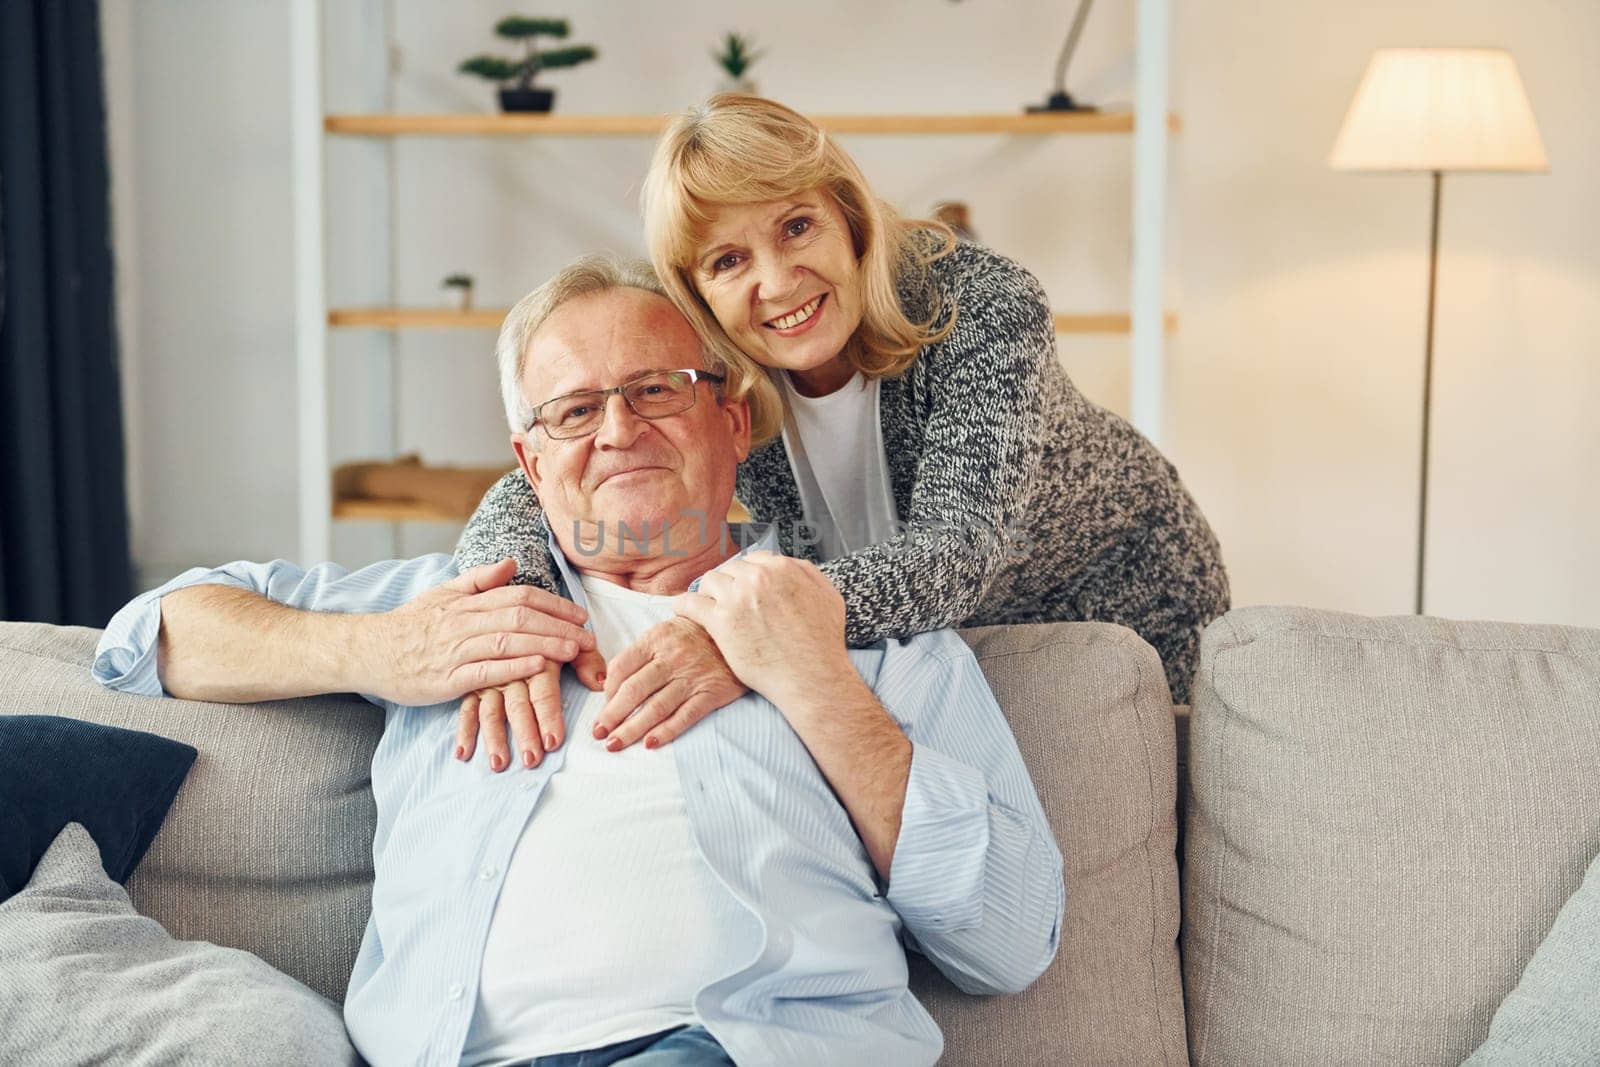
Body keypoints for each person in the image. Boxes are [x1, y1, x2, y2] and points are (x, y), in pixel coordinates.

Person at [91, 257, 1064, 1067]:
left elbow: (1010, 938)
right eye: (574, 410)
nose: (617, 429)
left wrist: (814, 681)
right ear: (529, 459)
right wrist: (381, 647)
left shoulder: (865, 627)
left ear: (731, 421)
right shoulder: (450, 604)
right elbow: (150, 634)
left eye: (656, 390)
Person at [452, 95, 1227, 775]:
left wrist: (745, 636)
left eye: (797, 227)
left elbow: (954, 558)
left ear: (850, 220)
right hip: (922, 649)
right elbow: (543, 474)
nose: (779, 281)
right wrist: (514, 619)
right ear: (696, 292)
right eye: (729, 259)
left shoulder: (982, 307)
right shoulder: (709, 370)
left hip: (1120, 613)